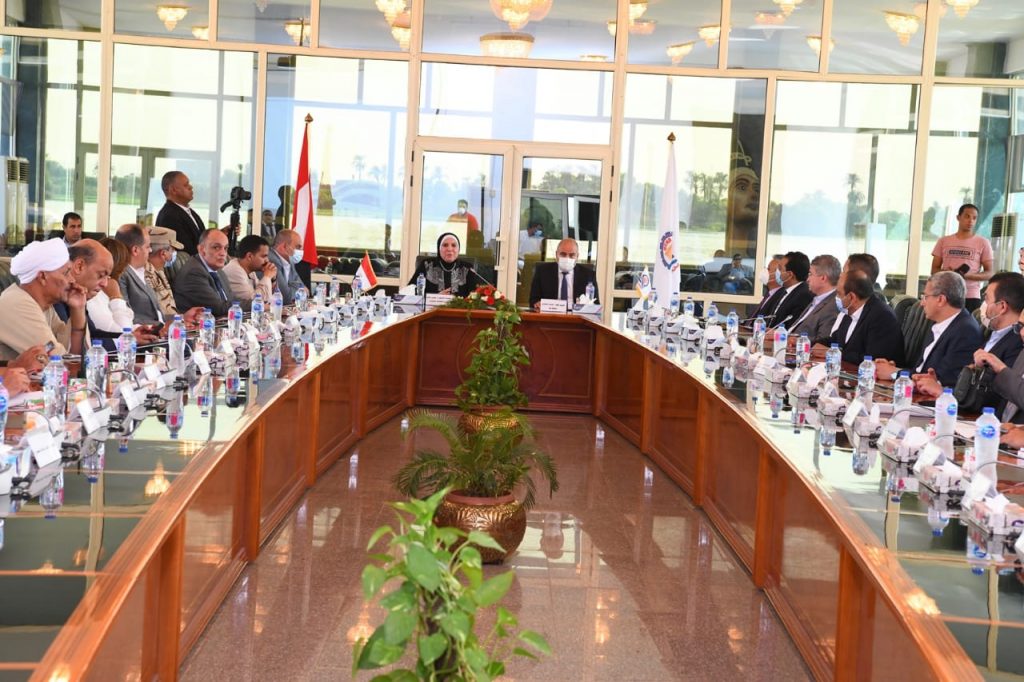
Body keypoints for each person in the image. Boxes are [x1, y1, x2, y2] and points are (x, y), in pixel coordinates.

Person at [916, 272, 1024, 405]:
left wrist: (943, 393)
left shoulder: (1017, 343)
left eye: (986, 299)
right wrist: (937, 382)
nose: (983, 305)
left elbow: (999, 398)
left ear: (1002, 307)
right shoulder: (993, 334)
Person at [874, 271, 981, 386]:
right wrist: (893, 369)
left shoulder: (965, 332)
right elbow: (920, 370)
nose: (922, 303)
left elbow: (942, 381)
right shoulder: (938, 323)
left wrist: (894, 374)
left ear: (941, 300)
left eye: (925, 297)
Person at [0, 239, 87, 360]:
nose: (72, 280)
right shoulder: (17, 304)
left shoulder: (44, 306)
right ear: (42, 277)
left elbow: (70, 352)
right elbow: (58, 360)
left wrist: (78, 309)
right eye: (66, 273)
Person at [811, 269, 903, 366]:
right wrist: (809, 344)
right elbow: (835, 340)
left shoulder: (882, 317)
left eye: (839, 294)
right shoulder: (850, 311)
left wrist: (834, 354)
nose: (836, 298)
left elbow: (873, 359)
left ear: (851, 297)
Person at [930, 203, 992, 312]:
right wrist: (948, 273)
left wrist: (968, 276)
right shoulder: (943, 241)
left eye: (974, 218)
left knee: (969, 323)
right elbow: (934, 270)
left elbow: (989, 273)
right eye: (967, 216)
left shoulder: (983, 242)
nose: (971, 221)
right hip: (946, 294)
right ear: (958, 217)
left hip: (971, 296)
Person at [173, 229, 236, 316]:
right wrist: (254, 303)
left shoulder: (218, 270)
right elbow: (219, 308)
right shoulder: (193, 273)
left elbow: (231, 300)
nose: (223, 253)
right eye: (216, 247)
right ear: (202, 250)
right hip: (198, 323)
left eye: (225, 248)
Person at [529, 238, 600, 309]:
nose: (567, 258)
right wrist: (537, 304)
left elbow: (595, 304)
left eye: (572, 255)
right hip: (551, 313)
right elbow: (533, 300)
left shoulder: (588, 275)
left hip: (577, 314)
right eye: (563, 254)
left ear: (577, 256)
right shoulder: (542, 272)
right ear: (556, 254)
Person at [85, 238, 135, 334]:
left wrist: (138, 329)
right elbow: (124, 332)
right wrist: (116, 297)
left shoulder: (108, 289)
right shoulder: (92, 296)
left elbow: (128, 324)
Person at [788, 254, 840, 344]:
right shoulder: (817, 299)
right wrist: (780, 335)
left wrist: (798, 342)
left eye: (810, 274)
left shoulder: (833, 306)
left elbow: (822, 343)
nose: (807, 279)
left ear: (823, 278)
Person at [408, 232, 476, 298]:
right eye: (445, 245)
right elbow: (410, 293)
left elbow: (475, 296)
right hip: (431, 305)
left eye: (454, 245)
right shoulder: (426, 265)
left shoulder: (468, 268)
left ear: (458, 249)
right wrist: (435, 297)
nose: (449, 249)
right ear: (439, 248)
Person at [156, 171, 207, 256]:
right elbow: (186, 250)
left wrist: (219, 235)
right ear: (173, 190)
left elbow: (200, 238)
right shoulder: (169, 216)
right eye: (186, 185)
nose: (191, 187)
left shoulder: (187, 211)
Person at [761, 251, 813, 329]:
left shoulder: (803, 296)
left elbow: (792, 327)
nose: (777, 272)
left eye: (780, 269)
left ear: (790, 274)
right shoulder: (783, 291)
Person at [222, 235, 277, 307]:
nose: (267, 260)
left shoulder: (250, 271)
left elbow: (270, 298)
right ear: (249, 256)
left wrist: (272, 279)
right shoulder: (234, 271)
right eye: (264, 256)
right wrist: (267, 276)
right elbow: (256, 302)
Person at [146, 226, 183, 319]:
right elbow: (155, 317)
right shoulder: (146, 275)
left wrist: (184, 317)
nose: (174, 254)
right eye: (173, 250)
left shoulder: (159, 272)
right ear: (163, 254)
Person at [267, 229, 305, 305]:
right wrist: (297, 289)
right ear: (284, 246)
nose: (301, 251)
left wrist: (294, 288)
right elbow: (285, 297)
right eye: (298, 247)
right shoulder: (271, 260)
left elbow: (303, 288)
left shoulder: (289, 261)